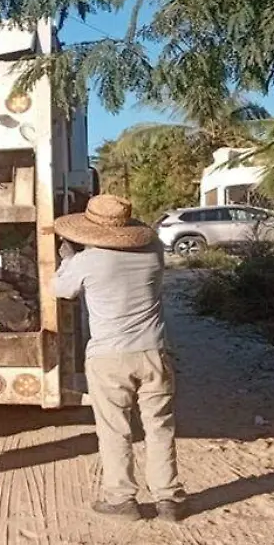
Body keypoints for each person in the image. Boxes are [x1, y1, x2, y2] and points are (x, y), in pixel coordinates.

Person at [53, 194, 186, 522]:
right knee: (160, 426)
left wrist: (68, 258)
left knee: (115, 429)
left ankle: (122, 499)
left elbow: (61, 290)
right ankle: (168, 499)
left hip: (109, 357)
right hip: (154, 351)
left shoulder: (88, 261)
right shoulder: (154, 251)